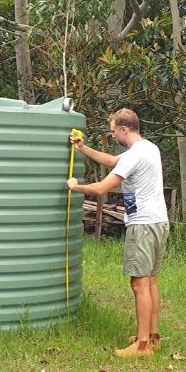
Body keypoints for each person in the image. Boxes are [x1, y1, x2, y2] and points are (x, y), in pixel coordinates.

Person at [67, 108, 169, 358]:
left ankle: (142, 345)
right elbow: (114, 162)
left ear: (124, 129)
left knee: (139, 284)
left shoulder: (135, 156)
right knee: (151, 280)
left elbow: (102, 189)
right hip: (158, 222)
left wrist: (75, 186)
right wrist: (82, 148)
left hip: (142, 225)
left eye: (113, 131)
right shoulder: (148, 148)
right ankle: (153, 338)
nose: (112, 136)